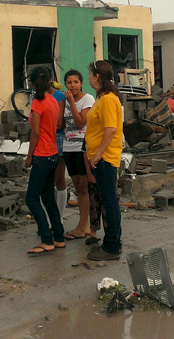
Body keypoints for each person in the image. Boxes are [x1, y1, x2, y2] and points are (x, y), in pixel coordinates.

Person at [85, 60, 124, 261]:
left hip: (106, 158)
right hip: (100, 156)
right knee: (109, 201)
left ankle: (111, 246)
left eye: (90, 74)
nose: (88, 78)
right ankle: (113, 241)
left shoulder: (108, 99)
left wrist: (99, 153)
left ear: (97, 76)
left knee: (109, 202)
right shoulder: (103, 98)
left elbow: (111, 129)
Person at [25, 66, 65, 255]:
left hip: (41, 154)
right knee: (48, 196)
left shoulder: (37, 103)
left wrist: (29, 155)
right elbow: (57, 125)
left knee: (31, 198)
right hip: (54, 153)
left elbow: (35, 132)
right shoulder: (53, 100)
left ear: (32, 84)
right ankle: (58, 236)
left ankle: (46, 238)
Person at [61, 69, 95, 240]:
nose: (72, 86)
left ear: (81, 83)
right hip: (68, 148)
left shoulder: (88, 99)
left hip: (82, 147)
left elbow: (81, 123)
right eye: (69, 82)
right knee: (78, 188)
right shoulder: (65, 100)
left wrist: (71, 103)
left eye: (75, 82)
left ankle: (83, 226)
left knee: (83, 188)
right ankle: (84, 225)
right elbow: (61, 123)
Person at [48, 78, 68, 221]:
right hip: (44, 140)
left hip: (57, 138)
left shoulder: (59, 96)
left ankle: (58, 218)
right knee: (45, 181)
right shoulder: (37, 97)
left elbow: (60, 123)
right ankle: (49, 218)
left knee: (59, 179)